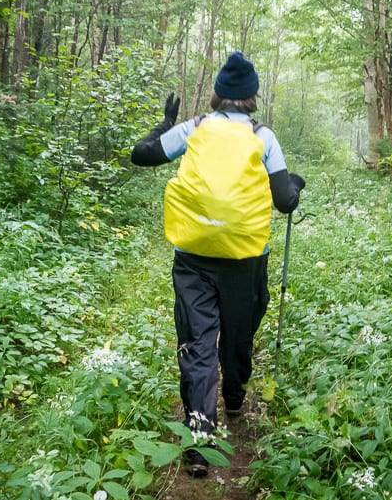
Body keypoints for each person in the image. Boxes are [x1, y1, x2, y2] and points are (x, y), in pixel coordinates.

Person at [130, 52, 305, 478]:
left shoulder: (194, 128)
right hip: (245, 259)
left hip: (192, 255)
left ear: (218, 95)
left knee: (197, 341)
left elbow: (142, 154)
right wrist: (295, 184)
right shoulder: (264, 137)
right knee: (238, 332)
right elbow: (284, 200)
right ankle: (234, 394)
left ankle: (198, 442)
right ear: (252, 97)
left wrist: (163, 123)